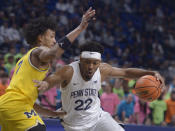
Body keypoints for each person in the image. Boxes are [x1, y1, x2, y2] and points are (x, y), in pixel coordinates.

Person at [0, 8, 96, 131]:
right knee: (39, 128)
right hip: (14, 105)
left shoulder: (24, 60)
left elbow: (28, 102)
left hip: (9, 105)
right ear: (40, 38)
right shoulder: (38, 51)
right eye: (51, 36)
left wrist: (52, 113)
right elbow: (54, 53)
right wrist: (80, 28)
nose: (54, 40)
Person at [35, 41, 165, 131]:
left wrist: (150, 72)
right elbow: (52, 79)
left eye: (95, 63)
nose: (91, 67)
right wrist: (45, 84)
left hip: (98, 118)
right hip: (75, 125)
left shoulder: (103, 70)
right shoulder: (68, 71)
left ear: (99, 62)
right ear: (80, 59)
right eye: (87, 62)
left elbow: (125, 72)